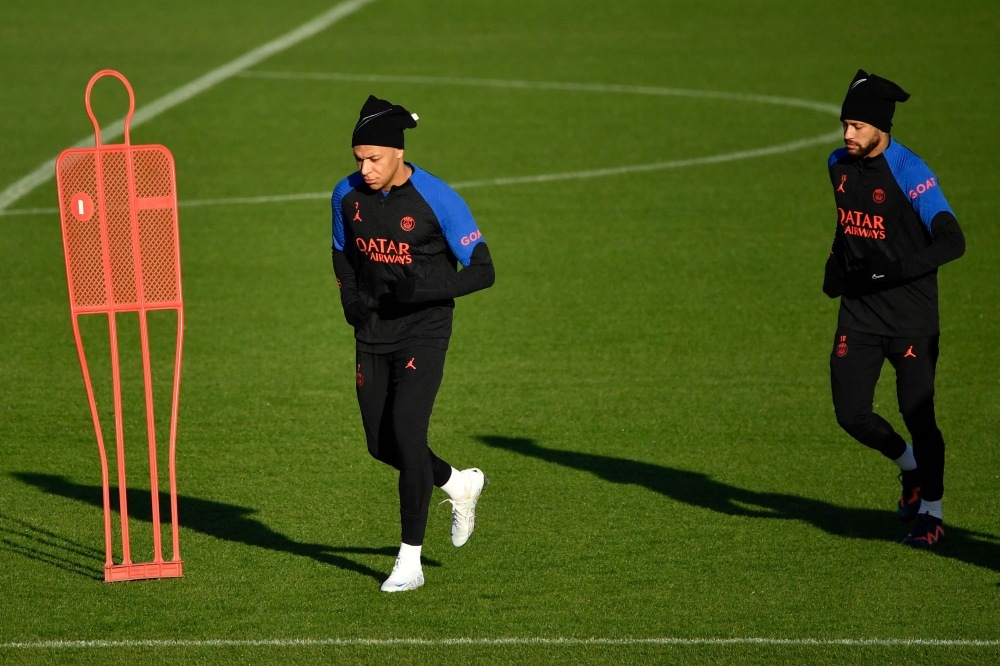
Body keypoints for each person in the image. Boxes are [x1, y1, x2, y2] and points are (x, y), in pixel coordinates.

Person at [331, 95, 496, 591]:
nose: (365, 168)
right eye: (358, 158)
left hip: (424, 330)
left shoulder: (438, 198)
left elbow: (484, 271)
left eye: (374, 158)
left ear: (398, 154)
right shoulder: (346, 194)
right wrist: (350, 300)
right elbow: (341, 254)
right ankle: (459, 483)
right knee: (381, 446)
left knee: (406, 432)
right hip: (373, 332)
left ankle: (410, 561)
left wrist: (423, 291)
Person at [823, 70, 965, 548]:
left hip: (911, 319)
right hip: (859, 313)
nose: (847, 134)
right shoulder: (837, 165)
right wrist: (833, 261)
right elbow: (849, 225)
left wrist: (892, 272)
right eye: (845, 123)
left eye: (858, 126)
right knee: (851, 415)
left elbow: (952, 241)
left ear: (882, 127)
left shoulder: (911, 172)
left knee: (917, 414)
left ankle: (933, 512)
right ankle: (911, 469)